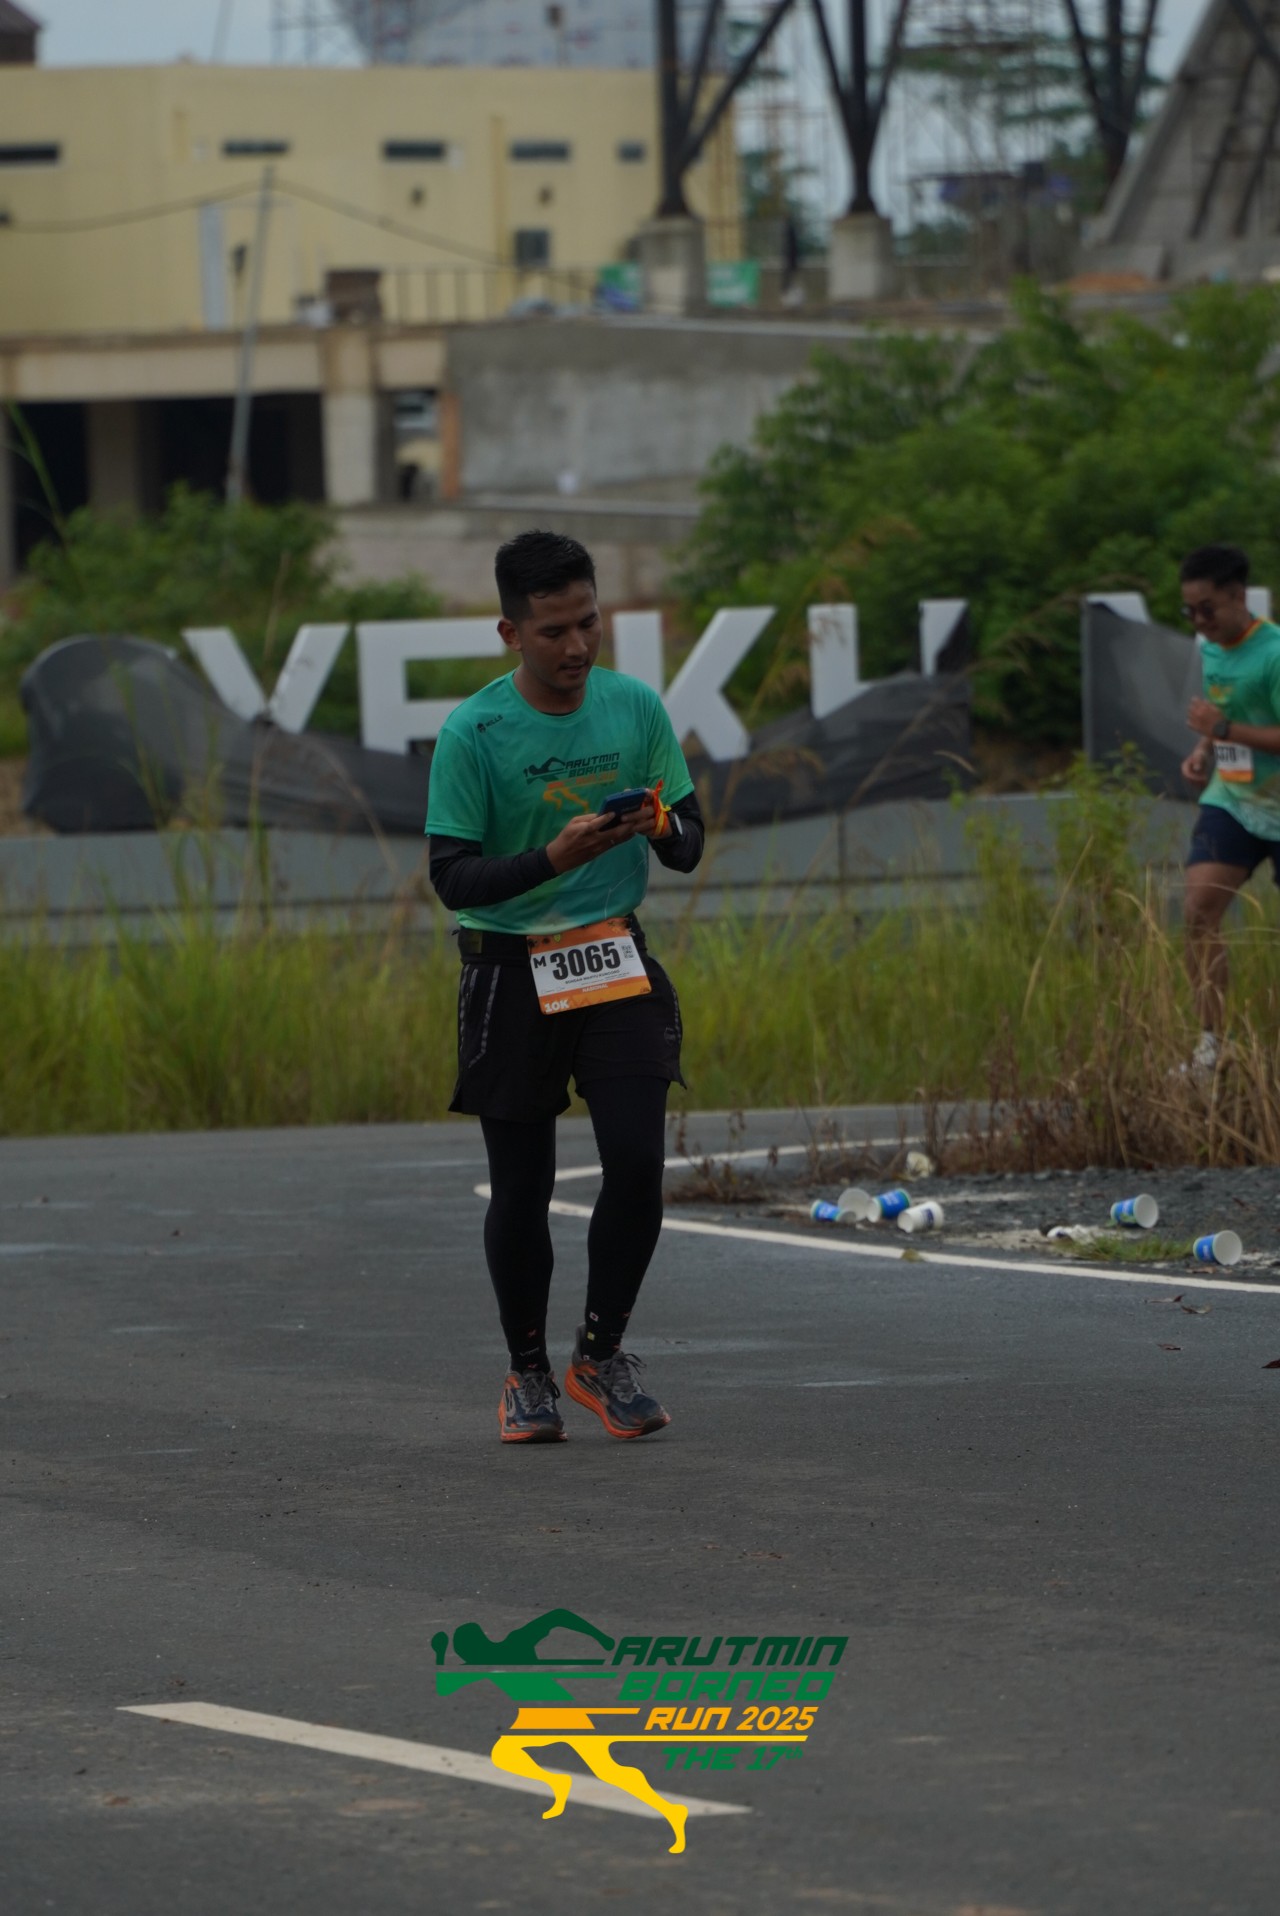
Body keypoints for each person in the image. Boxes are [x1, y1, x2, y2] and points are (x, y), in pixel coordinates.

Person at [426, 530, 704, 1444]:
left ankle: (599, 1356)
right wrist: (554, 856)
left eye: (588, 623)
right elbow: (453, 879)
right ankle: (528, 1374)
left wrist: (655, 824)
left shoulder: (634, 707)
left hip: (613, 956)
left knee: (636, 1162)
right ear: (511, 632)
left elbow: (690, 842)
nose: (577, 646)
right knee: (523, 1187)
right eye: (553, 631)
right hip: (509, 965)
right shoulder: (474, 731)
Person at [1179, 543, 1280, 1074]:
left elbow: (1230, 721)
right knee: (1198, 911)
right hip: (1234, 800)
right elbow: (1225, 715)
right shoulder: (1213, 651)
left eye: (1208, 609)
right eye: (1189, 611)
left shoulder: (1275, 654)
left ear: (1238, 597)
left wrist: (1221, 728)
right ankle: (1211, 1047)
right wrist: (1204, 749)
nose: (1199, 622)